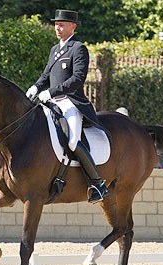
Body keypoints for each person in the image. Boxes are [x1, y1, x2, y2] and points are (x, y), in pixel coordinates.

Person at [26, 9, 109, 203]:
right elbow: (47, 75)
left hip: (71, 103)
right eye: (56, 24)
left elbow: (77, 79)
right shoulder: (55, 49)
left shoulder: (78, 48)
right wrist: (36, 87)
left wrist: (53, 92)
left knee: (72, 141)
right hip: (51, 102)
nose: (57, 27)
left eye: (61, 24)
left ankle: (98, 183)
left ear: (73, 26)